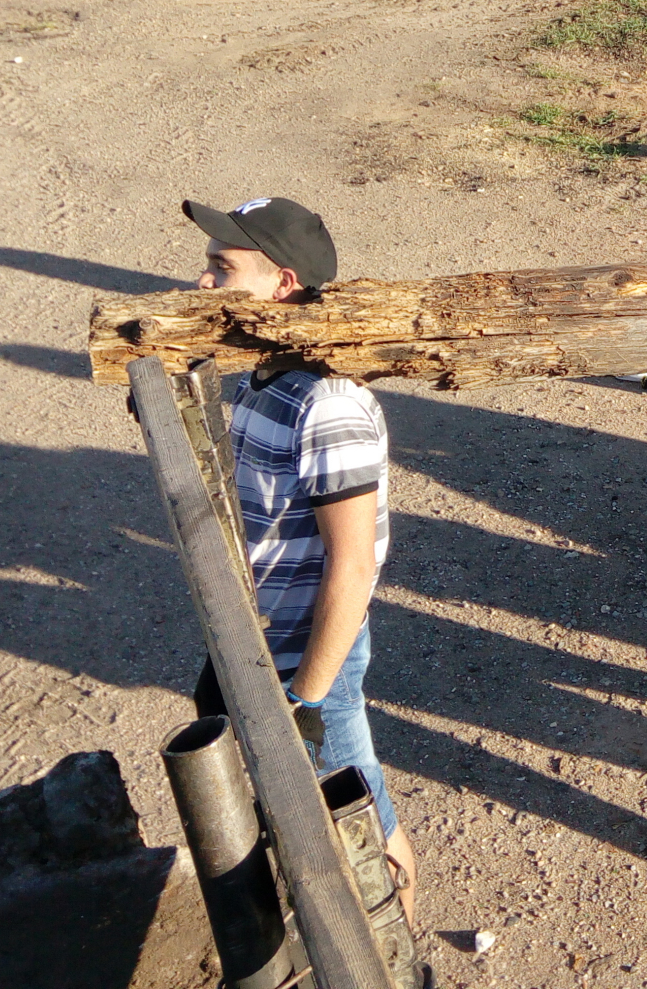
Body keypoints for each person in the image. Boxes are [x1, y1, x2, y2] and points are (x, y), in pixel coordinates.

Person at [182, 196, 417, 920]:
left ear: (283, 285)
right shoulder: (267, 375)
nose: (202, 283)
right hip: (259, 643)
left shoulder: (328, 404)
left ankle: (400, 963)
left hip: (310, 659)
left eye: (223, 269)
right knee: (298, 814)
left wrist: (306, 699)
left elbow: (354, 565)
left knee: (361, 822)